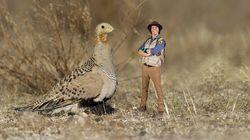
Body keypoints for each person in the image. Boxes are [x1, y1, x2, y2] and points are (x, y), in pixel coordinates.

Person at [137, 21, 166, 114]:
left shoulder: (161, 40)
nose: (154, 29)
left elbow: (156, 49)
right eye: (153, 28)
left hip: (154, 68)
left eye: (156, 28)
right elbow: (139, 50)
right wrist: (147, 53)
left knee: (158, 88)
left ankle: (161, 109)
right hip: (145, 67)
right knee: (144, 88)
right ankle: (142, 106)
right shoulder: (148, 41)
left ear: (159, 30)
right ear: (150, 30)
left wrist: (148, 52)